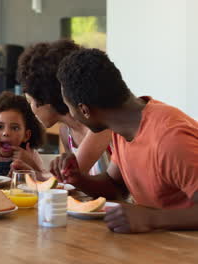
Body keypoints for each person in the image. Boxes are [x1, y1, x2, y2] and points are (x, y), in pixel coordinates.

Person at [52, 48, 198, 233]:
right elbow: (115, 187)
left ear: (85, 110)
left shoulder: (170, 139)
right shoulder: (122, 127)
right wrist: (79, 179)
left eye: (68, 107)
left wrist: (151, 218)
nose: (70, 115)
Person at [16, 39, 112, 175]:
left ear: (46, 97)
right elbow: (71, 185)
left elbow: (69, 177)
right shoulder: (66, 133)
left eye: (30, 101)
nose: (32, 109)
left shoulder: (99, 126)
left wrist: (34, 169)